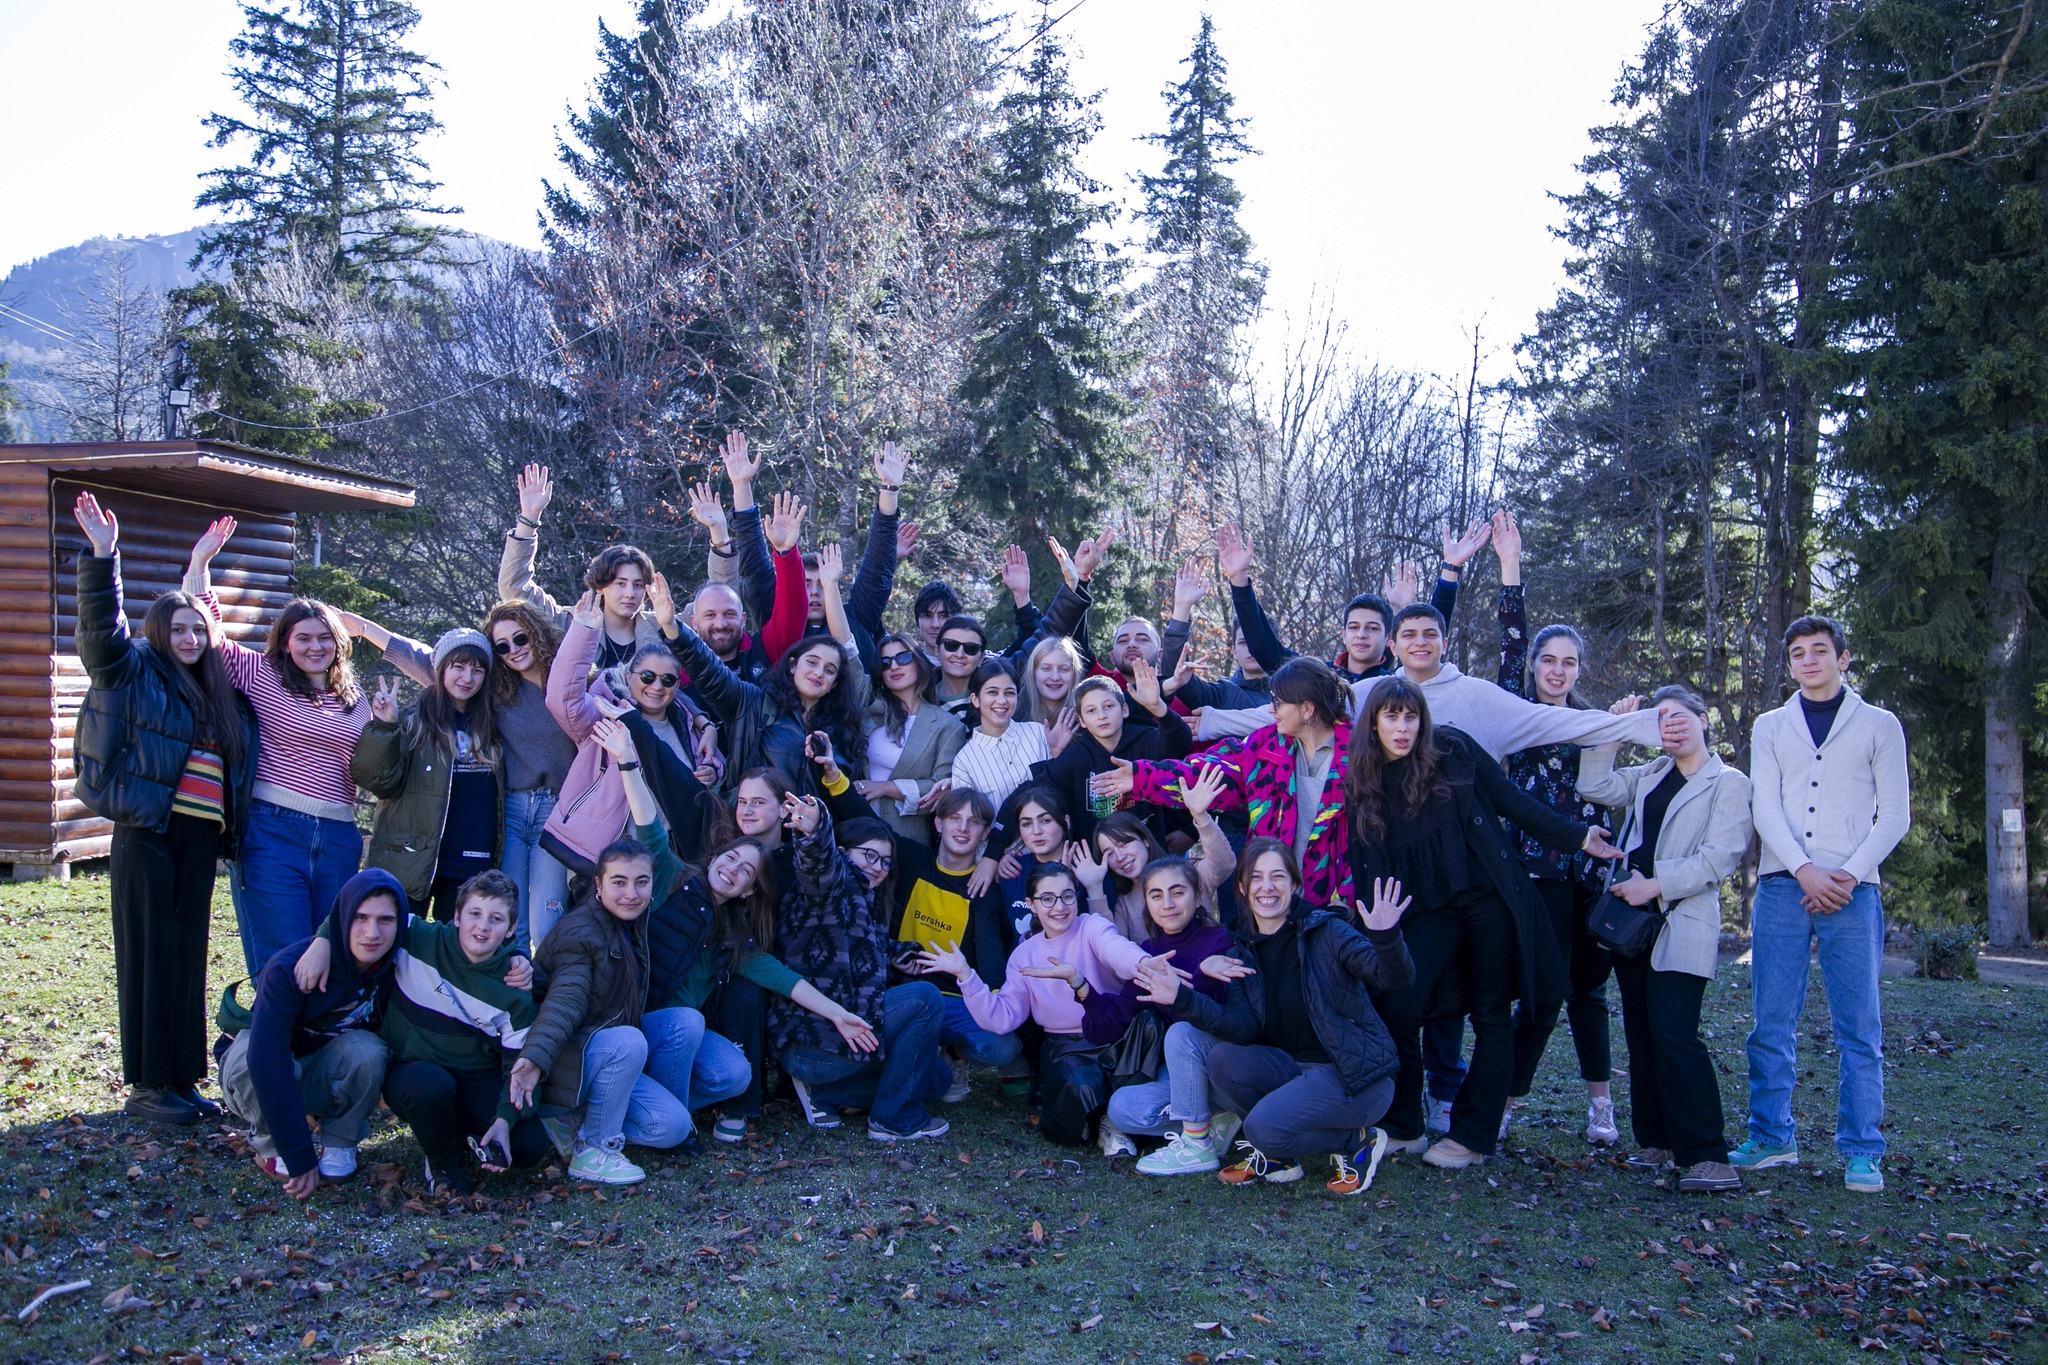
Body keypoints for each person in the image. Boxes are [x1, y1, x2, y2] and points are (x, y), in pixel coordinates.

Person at [1348, 681, 1623, 1169]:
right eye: (1391, 717)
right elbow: (1368, 860)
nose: (1403, 728)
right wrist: (1376, 924)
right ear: (1373, 723)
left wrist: (1579, 837)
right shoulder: (1365, 782)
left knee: (1492, 1015)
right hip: (1425, 911)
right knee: (1398, 1005)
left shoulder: (1452, 749)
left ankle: (1473, 1135)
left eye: (1411, 717)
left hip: (1488, 899)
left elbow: (1512, 801)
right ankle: (1405, 1126)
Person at [72, 492, 256, 1125]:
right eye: (178, 629)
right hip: (148, 830)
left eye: (197, 629)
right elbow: (100, 636)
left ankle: (181, 1079)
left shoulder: (214, 688)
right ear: (158, 633)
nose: (189, 637)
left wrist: (202, 565)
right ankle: (148, 1086)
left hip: (200, 837)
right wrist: (104, 558)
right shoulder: (133, 671)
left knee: (185, 953)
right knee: (150, 954)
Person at [1736, 616, 1910, 1195]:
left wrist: (1848, 875)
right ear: (1789, 664)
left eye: (1819, 650)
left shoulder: (1879, 725)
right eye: (1798, 653)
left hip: (1854, 891)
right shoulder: (1770, 725)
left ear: (1843, 658)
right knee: (1770, 1021)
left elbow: (1895, 815)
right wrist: (1803, 870)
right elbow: (1764, 808)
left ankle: (1862, 1150)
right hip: (1783, 885)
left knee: (1859, 1026)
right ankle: (1771, 1136)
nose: (1808, 660)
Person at [1155, 840, 1414, 1196]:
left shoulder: (1327, 931)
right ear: (1242, 888)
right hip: (1295, 1071)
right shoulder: (1242, 950)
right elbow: (1243, 1028)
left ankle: (1356, 1140)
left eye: (1278, 876)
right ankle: (1280, 1157)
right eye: (1256, 878)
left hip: (1354, 1078)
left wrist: (1386, 937)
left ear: (1294, 884)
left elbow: (1395, 979)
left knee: (1261, 1128)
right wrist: (1183, 998)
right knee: (1222, 1059)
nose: (1267, 887)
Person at [1577, 688, 1753, 1193]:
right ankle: (1657, 1142)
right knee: (1642, 1034)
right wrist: (1614, 730)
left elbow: (1720, 857)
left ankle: (1709, 1156)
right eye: (1660, 721)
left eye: (1679, 717)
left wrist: (1654, 885)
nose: (1671, 727)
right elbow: (1596, 786)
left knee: (1676, 1036)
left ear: (1703, 720)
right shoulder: (1652, 772)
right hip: (1632, 927)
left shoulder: (1729, 782)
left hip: (1681, 920)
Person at [183, 518, 374, 977]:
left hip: (339, 835)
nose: (315, 647)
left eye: (324, 638)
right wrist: (200, 564)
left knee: (334, 957)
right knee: (283, 958)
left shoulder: (355, 698)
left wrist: (386, 728)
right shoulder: (261, 675)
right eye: (303, 638)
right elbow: (210, 635)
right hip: (272, 830)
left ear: (338, 644)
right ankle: (271, 1026)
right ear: (285, 644)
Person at [291, 870, 549, 1196]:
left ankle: (457, 1133)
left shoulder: (513, 991)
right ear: (457, 916)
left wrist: (503, 1121)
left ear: (511, 929)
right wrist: (323, 940)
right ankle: (444, 1164)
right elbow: (357, 913)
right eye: (474, 914)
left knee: (529, 1145)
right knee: (426, 1085)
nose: (482, 926)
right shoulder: (417, 937)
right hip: (414, 1071)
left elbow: (519, 1070)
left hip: (472, 1074)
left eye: (496, 919)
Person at [1492, 512, 1620, 1146]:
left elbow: (1607, 793)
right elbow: (1511, 642)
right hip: (1534, 874)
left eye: (1569, 662)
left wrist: (1618, 734)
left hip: (1588, 876)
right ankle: (1506, 1102)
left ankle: (1601, 1105)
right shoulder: (1514, 714)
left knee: (1588, 993)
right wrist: (1510, 568)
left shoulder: (1593, 725)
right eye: (1549, 660)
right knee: (1542, 995)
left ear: (1579, 671)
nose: (1558, 670)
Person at [917, 862, 1156, 1148]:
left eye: (1067, 896)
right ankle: (1103, 1119)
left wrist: (1145, 964)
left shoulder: (1092, 927)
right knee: (1081, 1086)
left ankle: (1114, 1120)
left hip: (1116, 1034)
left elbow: (1117, 949)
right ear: (1031, 905)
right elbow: (1002, 1018)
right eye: (1047, 899)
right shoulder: (1024, 955)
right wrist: (966, 976)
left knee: (1151, 1027)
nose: (1059, 907)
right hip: (1068, 1047)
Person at [1094, 657, 1356, 908]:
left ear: (1307, 709)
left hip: (1337, 909)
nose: (1271, 709)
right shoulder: (1264, 748)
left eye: (1278, 702)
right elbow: (1204, 774)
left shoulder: (1360, 757)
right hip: (1271, 901)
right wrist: (1141, 777)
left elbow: (1368, 842)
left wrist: (1346, 902)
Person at [508, 835, 687, 1185]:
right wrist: (536, 1059)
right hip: (568, 1058)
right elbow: (565, 1002)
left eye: (641, 882)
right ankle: (593, 1147)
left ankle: (577, 1124)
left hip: (606, 1050)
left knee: (674, 1120)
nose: (631, 893)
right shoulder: (581, 933)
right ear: (598, 885)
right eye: (619, 882)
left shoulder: (634, 921)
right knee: (629, 1042)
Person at [218, 870, 403, 1199]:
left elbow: (457, 937)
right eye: (359, 917)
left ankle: (340, 1141)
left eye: (385, 920)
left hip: (324, 1073)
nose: (372, 933)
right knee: (252, 1054)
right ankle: (272, 1144)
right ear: (342, 917)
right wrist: (298, 1152)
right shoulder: (288, 968)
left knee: (370, 1050)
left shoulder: (400, 960)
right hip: (262, 1077)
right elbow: (267, 1060)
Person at [774, 810, 955, 1141]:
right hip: (813, 1041)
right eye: (869, 855)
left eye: (885, 861)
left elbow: (859, 947)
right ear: (842, 851)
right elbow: (818, 864)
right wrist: (815, 831)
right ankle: (894, 1120)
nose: (878, 866)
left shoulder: (863, 902)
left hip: (839, 1041)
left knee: (936, 1079)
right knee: (925, 999)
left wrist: (897, 956)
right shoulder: (827, 888)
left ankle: (822, 1094)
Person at [541, 592, 717, 877]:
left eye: (667, 680)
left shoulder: (689, 728)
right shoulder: (606, 715)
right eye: (647, 677)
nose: (657, 687)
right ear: (629, 677)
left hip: (671, 860)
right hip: (609, 858)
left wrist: (712, 772)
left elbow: (710, 770)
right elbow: (563, 700)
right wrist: (584, 632)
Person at [1088, 856, 1242, 1174]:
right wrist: (1081, 989)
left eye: (1178, 892)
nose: (1168, 904)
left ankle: (1200, 1138)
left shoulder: (1222, 941)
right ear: (1146, 903)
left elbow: (1231, 1022)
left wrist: (1199, 978)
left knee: (1181, 1033)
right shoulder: (1149, 952)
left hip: (1223, 1067)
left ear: (1197, 896)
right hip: (1180, 1074)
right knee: (1122, 1108)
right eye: (1156, 895)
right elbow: (1113, 1024)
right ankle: (1216, 1121)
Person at [353, 630, 504, 921]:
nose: (467, 678)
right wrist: (384, 728)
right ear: (441, 669)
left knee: (456, 946)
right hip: (408, 858)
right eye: (458, 667)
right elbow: (378, 782)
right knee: (400, 944)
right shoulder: (412, 721)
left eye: (477, 670)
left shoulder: (493, 726)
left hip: (471, 863)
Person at [1213, 519, 1479, 683]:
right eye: (1354, 627)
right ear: (1343, 633)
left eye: (1372, 628)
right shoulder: (1321, 679)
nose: (1361, 635)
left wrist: (1450, 570)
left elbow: (1429, 633)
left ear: (1389, 639)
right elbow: (1266, 650)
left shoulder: (1395, 684)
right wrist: (1239, 580)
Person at [884, 787, 1023, 1080]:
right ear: (938, 823)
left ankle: (952, 1054)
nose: (963, 828)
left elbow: (989, 950)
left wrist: (997, 997)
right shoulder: (914, 859)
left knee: (1003, 1046)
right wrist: (835, 780)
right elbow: (863, 822)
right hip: (902, 991)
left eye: (974, 822)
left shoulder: (983, 890)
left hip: (951, 1000)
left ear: (985, 833)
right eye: (955, 818)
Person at [662, 607, 866, 798]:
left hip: (813, 825)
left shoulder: (844, 733)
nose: (819, 672)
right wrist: (673, 629)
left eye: (829, 670)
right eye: (812, 662)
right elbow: (710, 670)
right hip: (751, 821)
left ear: (834, 684)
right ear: (793, 666)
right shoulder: (753, 705)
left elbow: (844, 803)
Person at [498, 463, 669, 672]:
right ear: (600, 587)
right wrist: (529, 518)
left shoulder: (663, 627)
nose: (630, 593)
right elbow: (514, 587)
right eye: (620, 583)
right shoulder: (570, 624)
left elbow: (706, 610)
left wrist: (711, 530)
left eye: (638, 585)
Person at [482, 601, 579, 954]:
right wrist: (369, 630)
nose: (513, 650)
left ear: (536, 633)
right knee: (513, 923)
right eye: (502, 646)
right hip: (511, 809)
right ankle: (518, 988)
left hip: (555, 812)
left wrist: (699, 719)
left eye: (520, 638)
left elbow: (631, 684)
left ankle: (550, 988)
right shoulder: (498, 690)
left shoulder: (570, 681)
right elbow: (435, 662)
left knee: (547, 922)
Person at [689, 433, 813, 682]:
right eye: (710, 615)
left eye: (730, 614)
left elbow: (792, 612)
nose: (721, 623)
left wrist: (786, 553)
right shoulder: (682, 670)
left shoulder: (765, 653)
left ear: (743, 619)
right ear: (694, 623)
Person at [1028, 666, 1193, 843]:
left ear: (1124, 710)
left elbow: (1179, 743)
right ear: (1082, 720)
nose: (1102, 715)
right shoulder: (1074, 758)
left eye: (1108, 706)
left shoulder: (1145, 741)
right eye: (1091, 710)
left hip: (1150, 852)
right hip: (1097, 856)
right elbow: (1034, 791)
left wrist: (1158, 707)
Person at [857, 630, 968, 845]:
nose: (894, 666)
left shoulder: (948, 726)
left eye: (903, 658)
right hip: (861, 830)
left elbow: (941, 788)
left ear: (919, 662)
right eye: (886, 662)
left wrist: (884, 787)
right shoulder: (870, 711)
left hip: (908, 837)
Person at [1079, 797, 1234, 944]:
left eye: (1124, 844)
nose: (1120, 857)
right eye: (1109, 853)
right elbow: (1110, 944)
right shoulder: (1125, 902)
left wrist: (1201, 817)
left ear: (1145, 839)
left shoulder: (1189, 872)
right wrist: (1094, 888)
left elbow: (1224, 864)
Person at [952, 657, 1068, 810]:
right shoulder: (965, 761)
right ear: (975, 699)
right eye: (992, 692)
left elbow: (1061, 789)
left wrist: (1057, 755)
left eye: (1009, 693)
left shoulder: (1037, 733)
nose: (1001, 701)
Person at [1022, 634, 1086, 725]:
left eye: (1064, 669)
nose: (1055, 677)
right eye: (1046, 668)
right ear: (1033, 672)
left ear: (1074, 674)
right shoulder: (1013, 718)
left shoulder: (1087, 720)